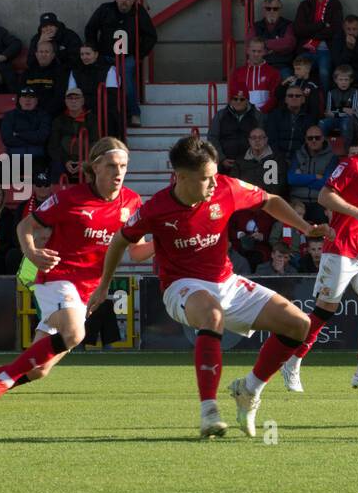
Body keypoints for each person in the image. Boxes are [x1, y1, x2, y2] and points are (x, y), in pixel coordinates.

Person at [96, 137, 328, 436]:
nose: (212, 184)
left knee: (298, 325)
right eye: (205, 179)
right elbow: (120, 241)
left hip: (226, 281)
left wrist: (306, 228)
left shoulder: (226, 188)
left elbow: (269, 200)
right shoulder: (157, 208)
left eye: (214, 176)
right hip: (181, 286)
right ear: (181, 177)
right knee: (212, 315)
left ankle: (249, 389)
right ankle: (209, 410)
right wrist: (104, 285)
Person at [0, 140, 142, 420]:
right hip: (56, 278)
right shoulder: (70, 198)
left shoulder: (131, 201)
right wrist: (32, 253)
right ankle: (2, 382)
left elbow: (137, 250)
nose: (118, 172)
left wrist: (167, 237)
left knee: (39, 369)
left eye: (123, 166)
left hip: (86, 291)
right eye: (111, 166)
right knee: (75, 334)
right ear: (95, 167)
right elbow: (26, 225)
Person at [279, 121, 358, 393]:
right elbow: (324, 196)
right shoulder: (351, 165)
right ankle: (292, 363)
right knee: (322, 313)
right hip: (341, 249)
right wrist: (355, 213)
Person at [84, 0, 157, 126]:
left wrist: (139, 55)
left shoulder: (138, 12)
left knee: (127, 80)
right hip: (105, 56)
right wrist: (95, 51)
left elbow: (151, 36)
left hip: (127, 57)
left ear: (132, 0)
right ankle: (103, 115)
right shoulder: (105, 9)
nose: (124, 1)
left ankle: (134, 113)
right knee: (101, 83)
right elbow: (90, 29)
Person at [294, 0, 343, 89]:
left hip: (326, 50)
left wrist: (312, 33)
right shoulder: (304, 5)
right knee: (299, 73)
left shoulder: (335, 4)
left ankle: (325, 104)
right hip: (306, 49)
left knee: (324, 73)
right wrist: (321, 24)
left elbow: (335, 29)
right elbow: (298, 29)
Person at [0, 87, 52, 171]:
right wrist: (33, 136)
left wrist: (18, 134)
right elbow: (8, 139)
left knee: (41, 181)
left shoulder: (44, 116)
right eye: (24, 97)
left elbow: (41, 138)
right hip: (14, 159)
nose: (28, 100)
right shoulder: (9, 116)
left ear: (36, 101)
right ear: (19, 100)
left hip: (37, 159)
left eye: (31, 97)